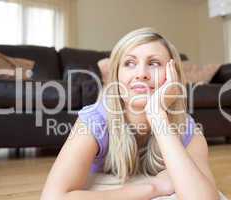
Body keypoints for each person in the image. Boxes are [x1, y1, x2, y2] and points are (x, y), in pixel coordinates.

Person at [41, 27, 219, 200]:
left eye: (154, 63)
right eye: (130, 63)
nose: (141, 74)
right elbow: (52, 197)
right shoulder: (95, 120)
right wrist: (153, 188)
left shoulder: (186, 128)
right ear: (117, 76)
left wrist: (157, 115)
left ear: (173, 76)